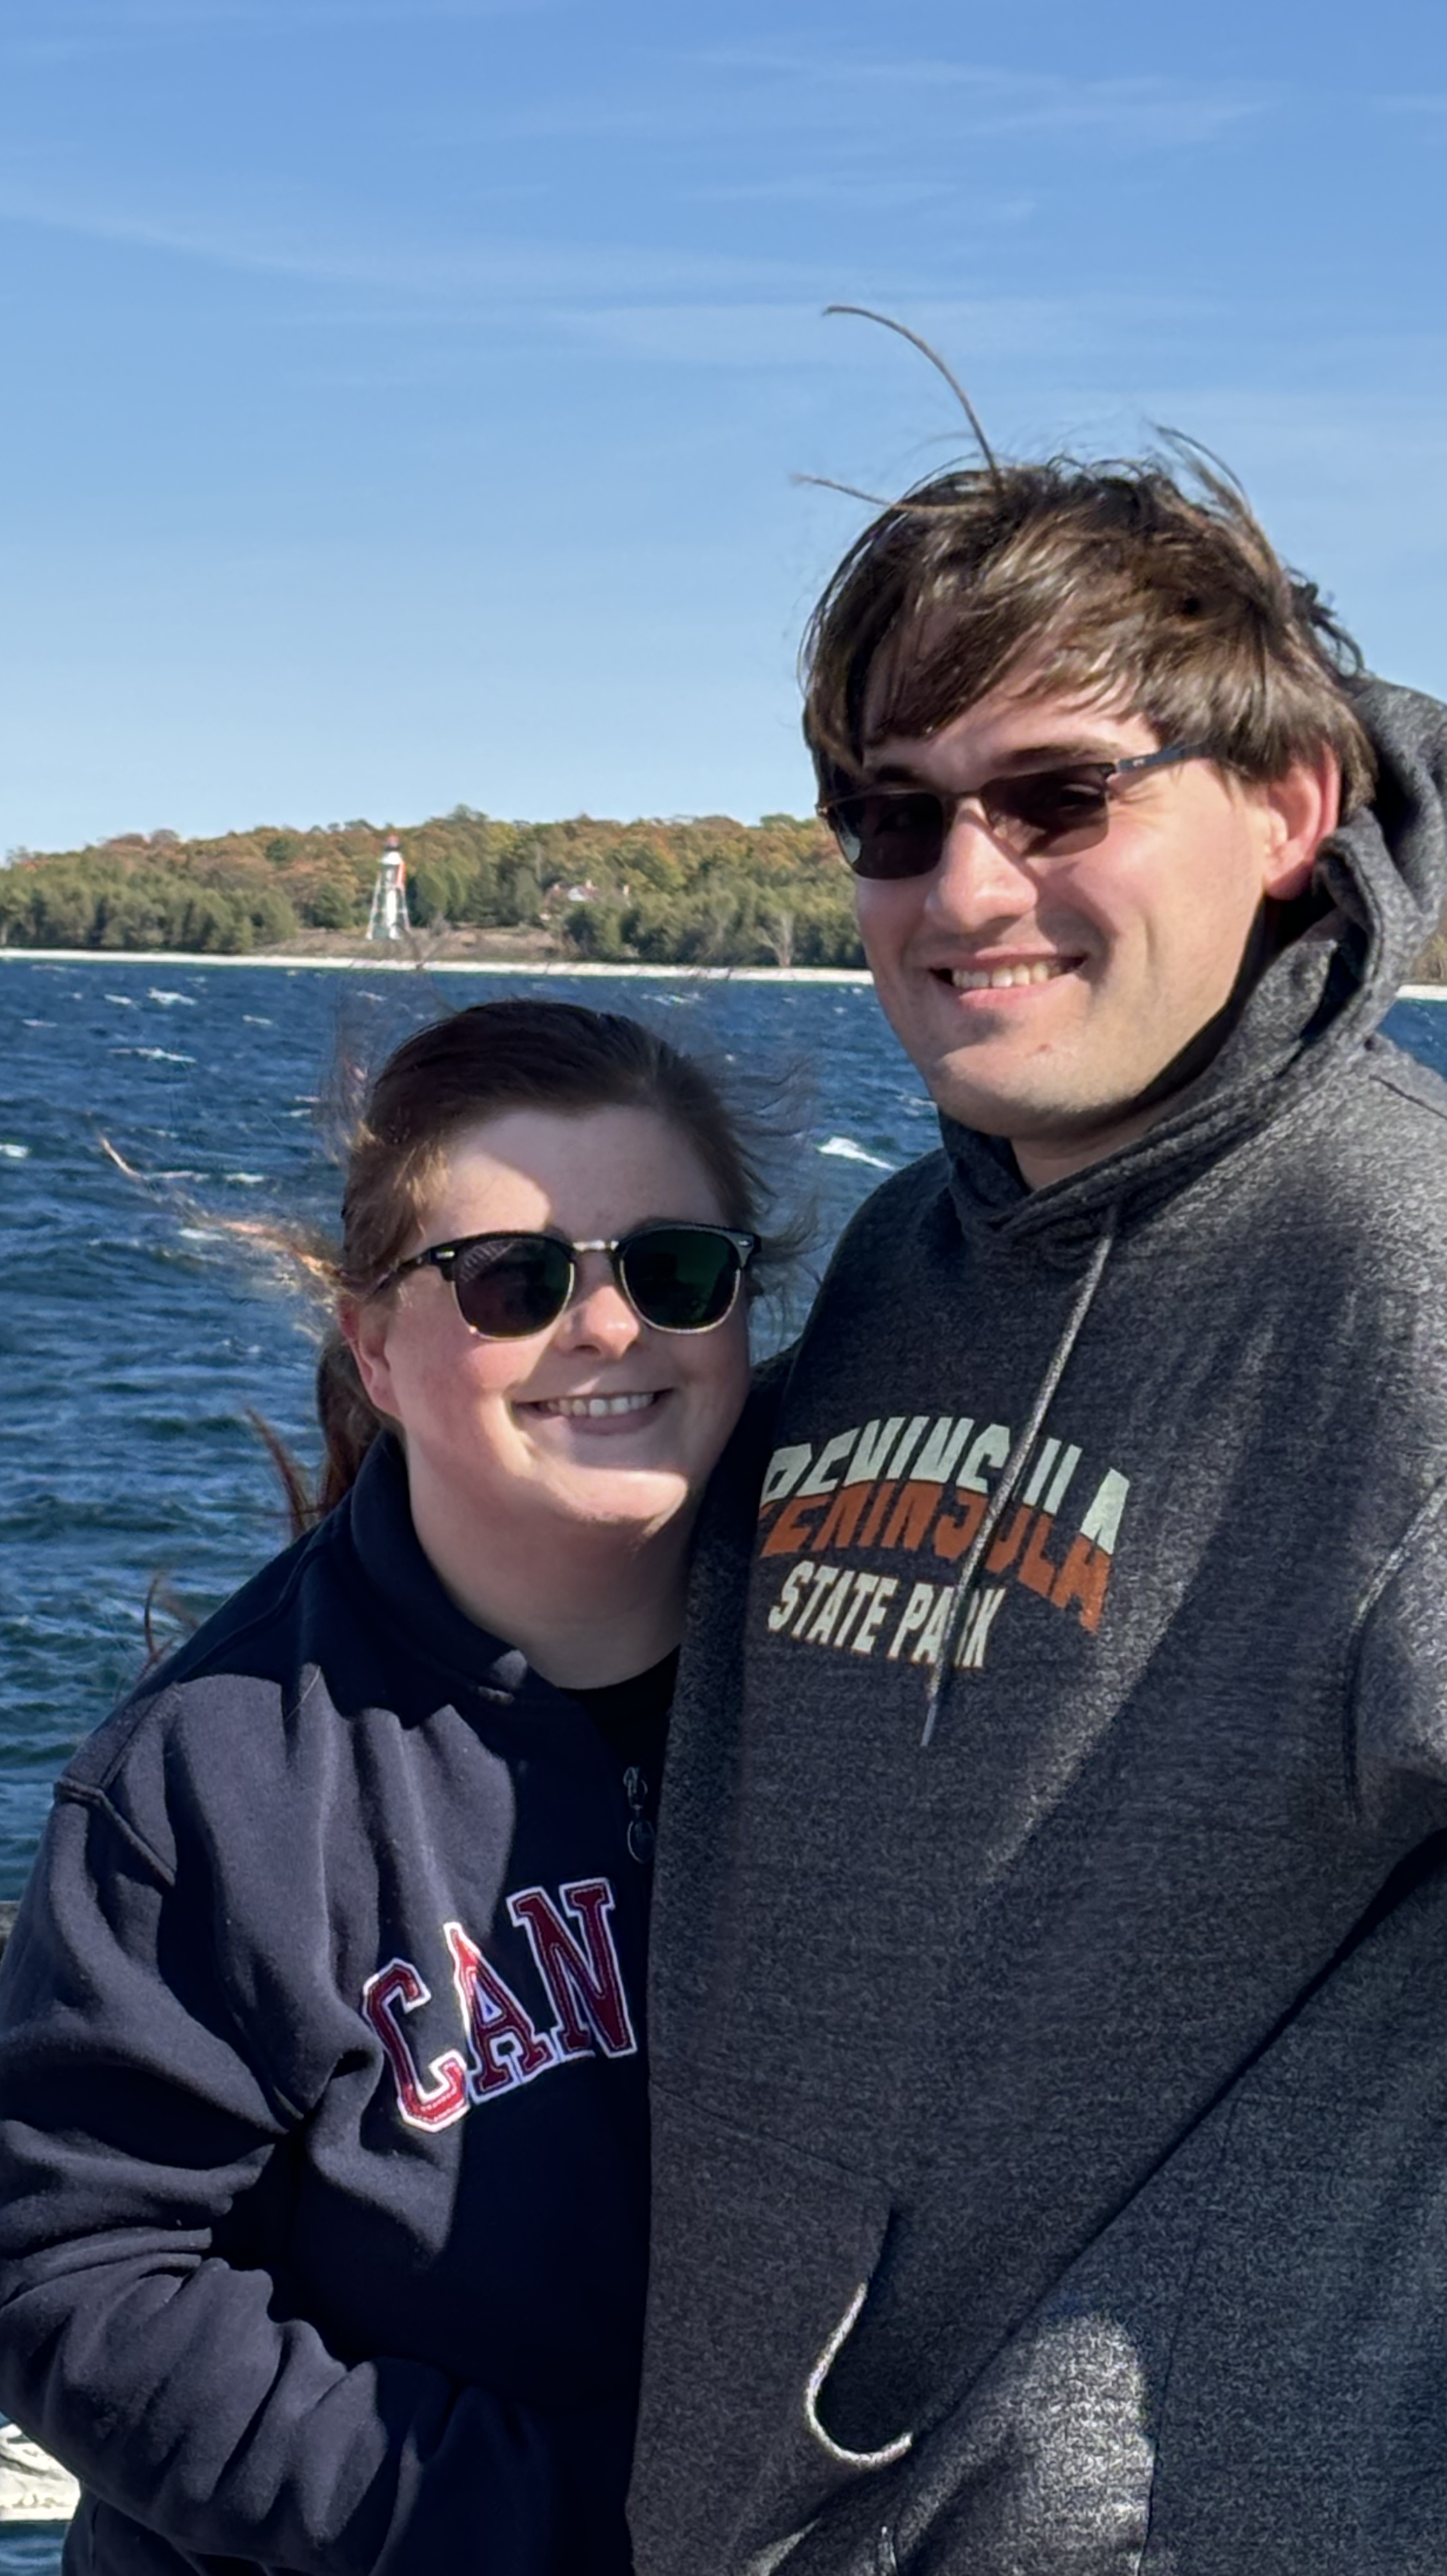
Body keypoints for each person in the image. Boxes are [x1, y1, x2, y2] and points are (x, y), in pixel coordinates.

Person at [629, 453, 1447, 2574]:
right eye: (897, 816)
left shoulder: (1400, 1269)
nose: (965, 887)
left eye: (1058, 798)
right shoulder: (907, 1252)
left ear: (1289, 808)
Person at [0, 998, 772, 2576]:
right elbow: (73, 2284)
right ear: (375, 1346)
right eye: (512, 1281)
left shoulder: (872, 1669)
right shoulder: (216, 1772)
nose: (607, 1329)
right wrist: (570, 2524)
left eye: (672, 1267)